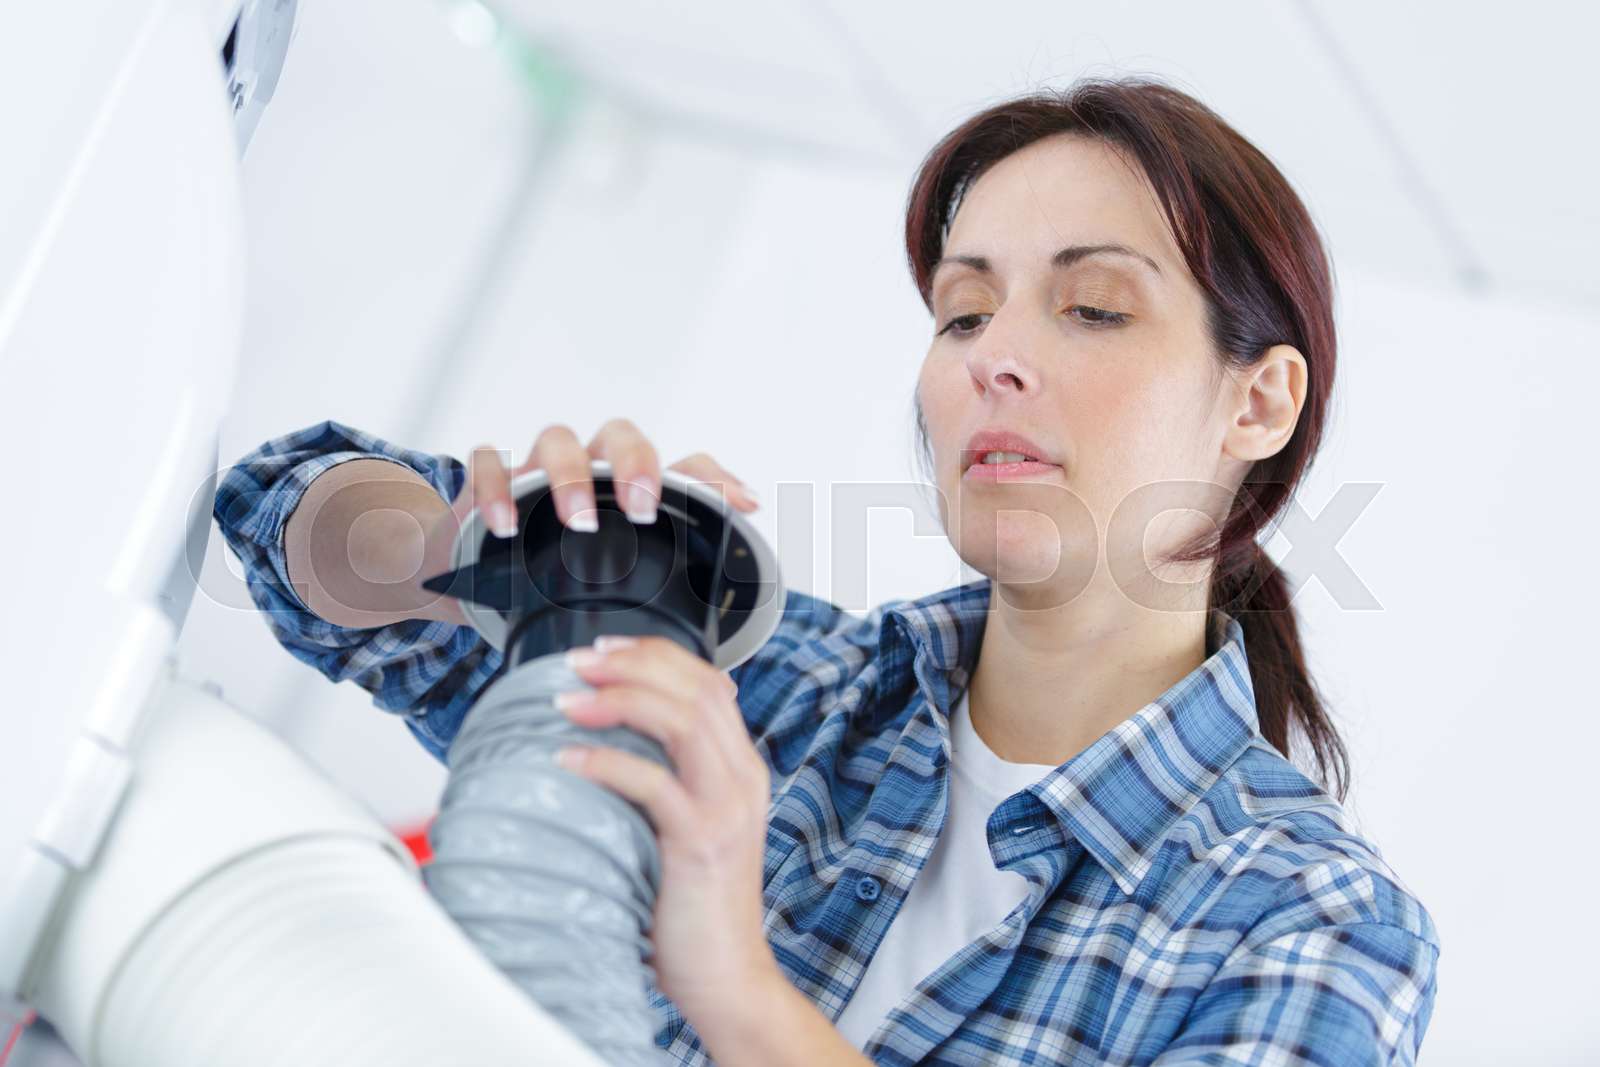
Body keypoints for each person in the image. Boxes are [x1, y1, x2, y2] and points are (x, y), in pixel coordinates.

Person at [213, 76, 1439, 1066]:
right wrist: (503, 546)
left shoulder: (1308, 925)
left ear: (1259, 401)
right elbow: (281, 512)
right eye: (964, 312)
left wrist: (735, 985)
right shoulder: (773, 686)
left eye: (1093, 307)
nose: (993, 357)